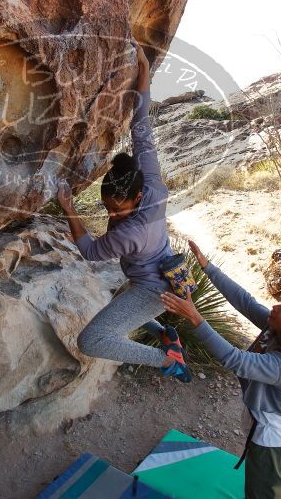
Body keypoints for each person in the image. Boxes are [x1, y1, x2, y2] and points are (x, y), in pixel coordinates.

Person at [160, 240, 281, 499]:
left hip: (271, 447)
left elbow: (236, 360)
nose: (275, 308)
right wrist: (208, 267)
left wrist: (194, 316)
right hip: (263, 430)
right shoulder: (278, 330)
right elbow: (245, 302)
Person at [56, 42, 191, 382]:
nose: (112, 216)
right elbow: (141, 124)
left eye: (118, 209)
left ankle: (167, 359)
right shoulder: (150, 182)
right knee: (120, 299)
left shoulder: (128, 233)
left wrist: (69, 208)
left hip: (155, 290)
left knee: (93, 339)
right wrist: (144, 70)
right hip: (159, 274)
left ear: (137, 197)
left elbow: (88, 250)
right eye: (107, 207)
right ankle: (167, 333)